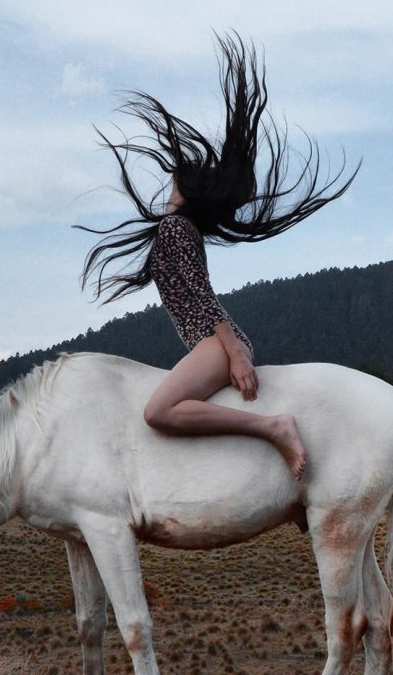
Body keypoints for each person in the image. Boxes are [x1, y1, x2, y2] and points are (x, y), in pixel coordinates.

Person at [77, 34, 359, 479]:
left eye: (174, 182)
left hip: (216, 342)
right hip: (214, 342)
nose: (168, 185)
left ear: (185, 193)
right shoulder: (180, 230)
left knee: (159, 411)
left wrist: (235, 355)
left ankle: (274, 428)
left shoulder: (175, 228)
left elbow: (203, 296)